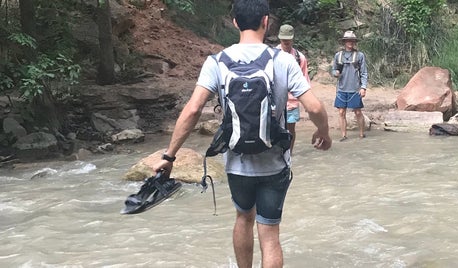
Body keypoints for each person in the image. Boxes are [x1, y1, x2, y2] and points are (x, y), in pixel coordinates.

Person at [151, 1, 332, 267]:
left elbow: (192, 111)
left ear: (235, 22)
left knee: (243, 218)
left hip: (237, 165)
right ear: (266, 22)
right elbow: (315, 106)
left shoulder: (216, 62)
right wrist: (323, 132)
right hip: (275, 163)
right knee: (269, 234)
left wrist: (170, 156)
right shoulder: (283, 60)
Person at [276, 24, 311, 154]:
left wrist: (308, 104)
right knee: (276, 129)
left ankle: (289, 155)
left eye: (288, 38)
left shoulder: (299, 57)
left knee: (290, 130)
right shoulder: (272, 55)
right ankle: (278, 153)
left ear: (292, 38)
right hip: (275, 100)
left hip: (292, 101)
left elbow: (305, 80)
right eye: (283, 38)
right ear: (279, 38)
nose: (286, 41)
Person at [331, 30, 369, 141]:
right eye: (348, 40)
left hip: (355, 89)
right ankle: (343, 135)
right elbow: (334, 69)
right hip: (341, 89)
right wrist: (335, 73)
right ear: (344, 42)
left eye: (352, 41)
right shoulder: (338, 55)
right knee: (341, 112)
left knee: (357, 112)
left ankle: (362, 134)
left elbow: (364, 73)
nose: (350, 42)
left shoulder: (360, 55)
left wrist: (363, 87)